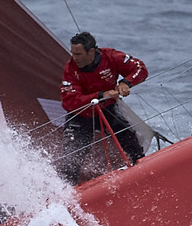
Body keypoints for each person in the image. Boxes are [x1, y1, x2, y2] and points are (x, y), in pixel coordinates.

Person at [59, 32, 148, 173]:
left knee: (128, 137)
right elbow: (69, 101)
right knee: (70, 160)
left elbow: (140, 68)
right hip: (81, 114)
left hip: (107, 109)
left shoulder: (111, 56)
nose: (74, 58)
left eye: (78, 54)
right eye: (73, 53)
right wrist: (101, 95)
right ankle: (67, 185)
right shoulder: (70, 69)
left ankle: (143, 168)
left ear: (91, 51)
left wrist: (126, 83)